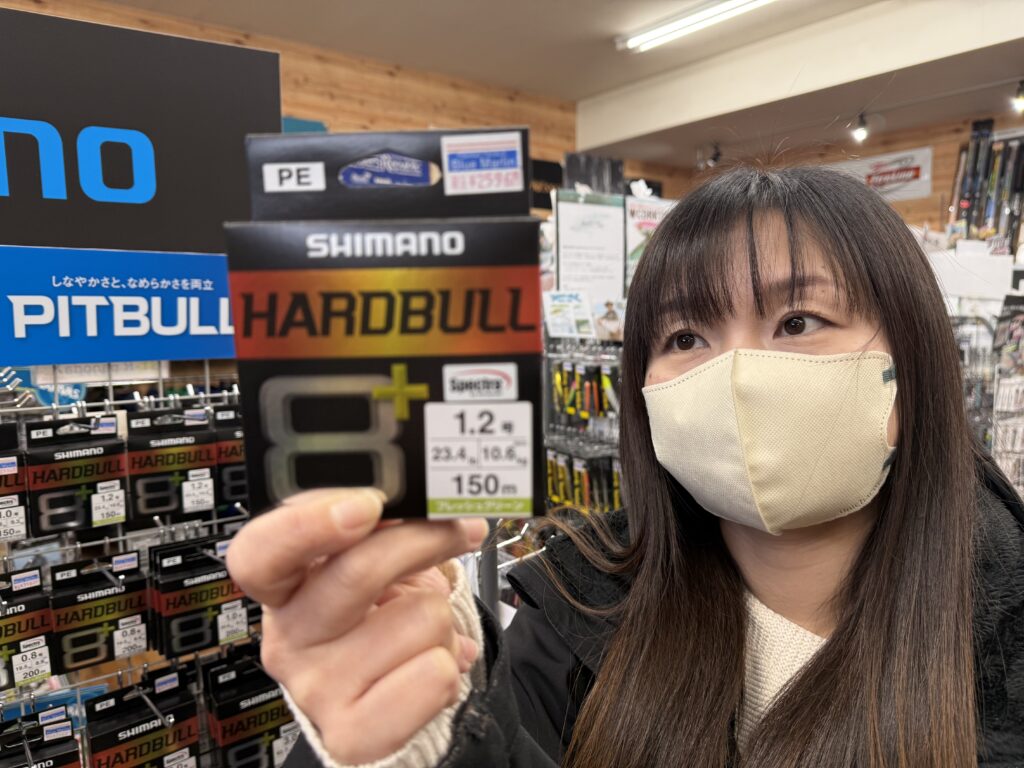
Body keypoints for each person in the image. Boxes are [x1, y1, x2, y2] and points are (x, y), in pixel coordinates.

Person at [227, 165, 1024, 768]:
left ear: (912, 360)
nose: (738, 374)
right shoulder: (575, 613)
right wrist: (415, 736)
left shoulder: (1005, 628)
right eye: (685, 338)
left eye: (798, 320)